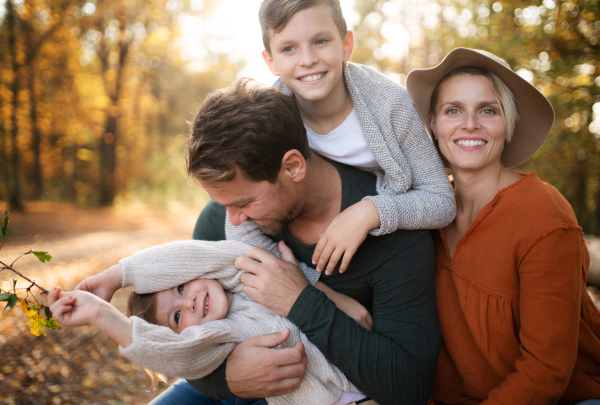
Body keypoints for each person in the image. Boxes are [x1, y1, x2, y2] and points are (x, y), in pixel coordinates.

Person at [77, 78, 441, 405]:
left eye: (244, 202)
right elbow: (183, 346)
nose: (231, 221)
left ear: (293, 167)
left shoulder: (395, 237)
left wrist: (302, 301)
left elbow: (408, 388)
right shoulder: (220, 218)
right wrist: (230, 378)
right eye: (224, 205)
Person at [405, 47, 600, 404]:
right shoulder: (421, 214)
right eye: (453, 110)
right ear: (433, 124)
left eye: (487, 110)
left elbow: (546, 371)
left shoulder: (544, 216)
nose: (469, 125)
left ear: (507, 124)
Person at [224, 0, 455, 276]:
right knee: (213, 219)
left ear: (346, 45)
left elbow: (441, 201)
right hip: (308, 225)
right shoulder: (270, 115)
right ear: (271, 61)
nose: (307, 59)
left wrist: (370, 211)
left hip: (383, 228)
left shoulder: (390, 106)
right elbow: (239, 225)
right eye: (289, 48)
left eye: (320, 41)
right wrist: (309, 284)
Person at [46, 239, 374, 405]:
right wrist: (104, 316)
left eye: (181, 286)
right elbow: (181, 354)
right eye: (177, 317)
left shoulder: (238, 272)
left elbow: (192, 254)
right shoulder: (219, 335)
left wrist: (118, 275)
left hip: (362, 364)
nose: (188, 301)